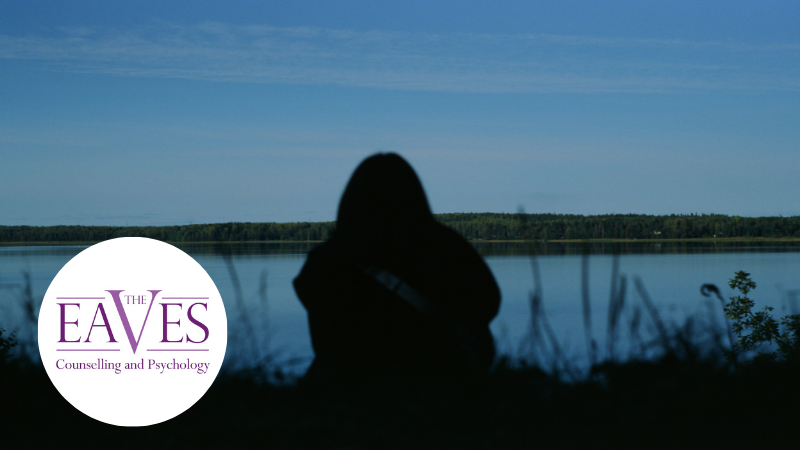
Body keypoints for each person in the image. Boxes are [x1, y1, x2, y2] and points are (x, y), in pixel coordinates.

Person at [293, 153, 500, 381]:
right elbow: (488, 302)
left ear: (350, 199)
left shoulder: (326, 261)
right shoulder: (448, 247)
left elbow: (325, 340)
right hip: (442, 386)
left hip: (351, 390)